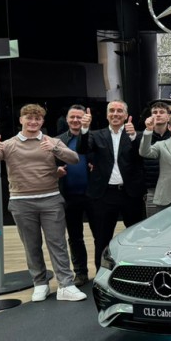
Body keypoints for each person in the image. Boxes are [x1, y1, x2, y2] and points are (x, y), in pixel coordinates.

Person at [0, 104, 87, 302]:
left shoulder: (51, 141)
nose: (33, 122)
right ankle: (40, 283)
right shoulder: (9, 144)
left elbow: (75, 159)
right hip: (21, 202)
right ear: (21, 120)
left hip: (51, 200)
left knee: (57, 244)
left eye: (37, 119)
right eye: (29, 118)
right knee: (32, 246)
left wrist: (55, 150)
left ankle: (65, 285)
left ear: (42, 122)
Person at [76, 102, 147, 271]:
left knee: (137, 237)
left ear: (126, 114)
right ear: (107, 115)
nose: (115, 114)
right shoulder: (96, 135)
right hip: (104, 195)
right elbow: (83, 149)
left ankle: (137, 271)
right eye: (112, 111)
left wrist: (133, 138)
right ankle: (102, 274)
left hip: (131, 195)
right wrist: (84, 128)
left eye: (119, 111)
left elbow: (144, 155)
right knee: (102, 238)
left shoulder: (135, 135)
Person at [55, 104, 92, 286]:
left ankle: (102, 271)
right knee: (75, 237)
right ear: (67, 119)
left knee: (100, 235)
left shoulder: (95, 138)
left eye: (80, 117)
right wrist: (56, 170)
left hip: (94, 195)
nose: (76, 120)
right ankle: (81, 273)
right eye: (73, 117)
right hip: (69, 196)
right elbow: (48, 165)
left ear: (86, 119)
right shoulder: (58, 141)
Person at [141, 101, 171, 218]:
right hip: (152, 189)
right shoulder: (143, 136)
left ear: (168, 116)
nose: (158, 115)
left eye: (162, 112)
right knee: (153, 227)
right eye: (154, 112)